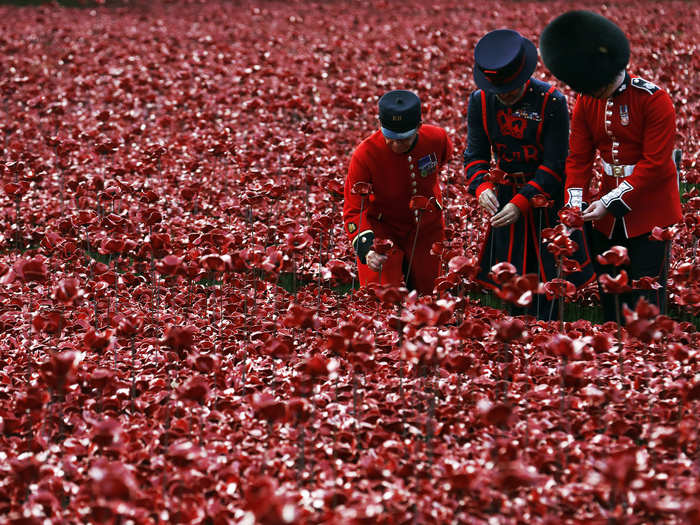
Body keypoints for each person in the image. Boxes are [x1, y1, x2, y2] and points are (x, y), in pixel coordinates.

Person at [540, 10, 682, 321]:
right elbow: (578, 157)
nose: (593, 95)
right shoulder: (588, 99)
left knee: (646, 299)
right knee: (611, 299)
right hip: (606, 215)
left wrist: (608, 202)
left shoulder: (653, 100)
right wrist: (573, 205)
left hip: (649, 213)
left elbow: (656, 166)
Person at [463, 29, 595, 319]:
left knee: (549, 276)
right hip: (506, 197)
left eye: (510, 88)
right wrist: (482, 186)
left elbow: (555, 164)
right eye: (498, 90)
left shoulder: (551, 101)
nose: (504, 96)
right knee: (510, 278)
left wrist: (521, 202)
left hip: (545, 198)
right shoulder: (480, 101)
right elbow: (474, 156)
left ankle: (547, 331)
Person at [343, 90, 452, 294]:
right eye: (389, 137)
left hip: (426, 226)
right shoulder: (364, 154)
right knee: (380, 297)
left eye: (403, 139)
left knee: (429, 295)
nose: (395, 144)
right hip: (384, 229)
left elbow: (444, 159)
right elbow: (353, 208)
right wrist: (366, 250)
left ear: (419, 127)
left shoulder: (437, 139)